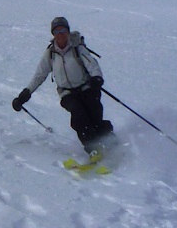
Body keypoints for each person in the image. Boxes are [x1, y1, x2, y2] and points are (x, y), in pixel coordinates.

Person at [12, 16, 113, 154]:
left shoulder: (77, 47)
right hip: (67, 94)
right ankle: (94, 149)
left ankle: (110, 141)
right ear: (53, 34)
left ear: (68, 31)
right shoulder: (50, 54)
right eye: (57, 31)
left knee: (94, 115)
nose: (60, 34)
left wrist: (97, 79)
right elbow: (39, 75)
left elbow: (92, 64)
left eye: (63, 30)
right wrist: (25, 94)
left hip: (87, 89)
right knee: (78, 116)